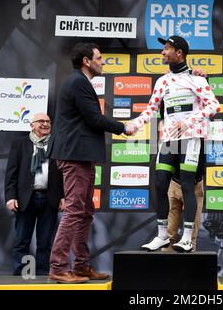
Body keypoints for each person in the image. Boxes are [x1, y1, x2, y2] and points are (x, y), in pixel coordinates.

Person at [47, 42, 135, 284]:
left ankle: (81, 267)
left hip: (81, 156)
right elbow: (94, 119)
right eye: (99, 58)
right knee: (75, 211)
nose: (103, 61)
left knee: (85, 212)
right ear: (86, 60)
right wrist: (124, 127)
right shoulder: (78, 82)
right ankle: (57, 267)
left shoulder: (79, 82)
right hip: (74, 155)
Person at [130, 35, 219, 252]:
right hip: (169, 140)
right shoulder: (162, 81)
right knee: (160, 183)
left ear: (179, 53)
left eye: (167, 48)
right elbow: (152, 109)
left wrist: (188, 122)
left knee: (187, 184)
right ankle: (161, 235)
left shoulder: (197, 79)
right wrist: (135, 124)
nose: (162, 52)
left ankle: (187, 238)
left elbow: (214, 105)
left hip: (192, 138)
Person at [4, 113, 64, 276]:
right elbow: (11, 173)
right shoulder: (20, 144)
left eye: (48, 122)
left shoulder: (56, 143)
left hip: (50, 198)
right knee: (22, 240)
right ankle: (21, 273)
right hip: (25, 199)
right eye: (41, 121)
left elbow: (63, 173)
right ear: (32, 125)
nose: (45, 124)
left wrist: (63, 196)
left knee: (45, 241)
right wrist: (10, 196)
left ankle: (43, 273)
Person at [165, 157, 205, 252]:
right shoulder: (175, 143)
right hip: (174, 184)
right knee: (169, 235)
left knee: (191, 238)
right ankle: (165, 265)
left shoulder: (203, 143)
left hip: (195, 186)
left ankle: (189, 266)